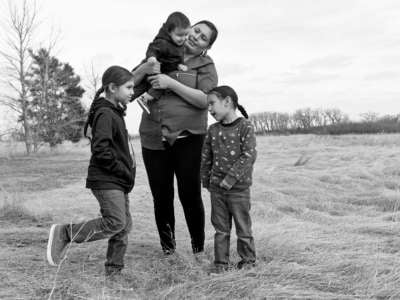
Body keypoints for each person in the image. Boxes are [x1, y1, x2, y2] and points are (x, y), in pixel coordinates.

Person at [131, 20, 218, 260]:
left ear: (206, 47)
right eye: (196, 30)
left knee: (190, 195)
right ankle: (168, 251)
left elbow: (206, 99)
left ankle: (198, 250)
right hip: (153, 138)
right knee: (162, 196)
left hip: (188, 139)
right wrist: (147, 67)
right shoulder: (161, 51)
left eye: (203, 37)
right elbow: (131, 83)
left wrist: (171, 83)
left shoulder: (206, 65)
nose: (196, 36)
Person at [46, 66, 136, 277]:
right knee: (115, 222)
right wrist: (123, 170)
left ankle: (114, 272)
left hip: (118, 181)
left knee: (123, 227)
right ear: (113, 88)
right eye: (129, 87)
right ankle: (66, 232)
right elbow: (101, 150)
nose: (133, 92)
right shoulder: (105, 113)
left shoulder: (113, 111)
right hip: (107, 179)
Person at [200, 85, 257, 273]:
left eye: (212, 104)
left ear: (227, 102)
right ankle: (221, 264)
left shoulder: (245, 126)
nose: (209, 109)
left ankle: (248, 262)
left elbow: (248, 156)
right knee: (221, 230)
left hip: (239, 190)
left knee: (243, 228)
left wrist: (230, 179)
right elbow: (206, 157)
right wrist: (206, 181)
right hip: (217, 191)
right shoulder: (213, 130)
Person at [133, 11, 191, 113]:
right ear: (169, 32)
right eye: (179, 35)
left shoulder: (180, 45)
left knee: (161, 84)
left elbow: (179, 56)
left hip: (164, 72)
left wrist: (181, 64)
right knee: (140, 86)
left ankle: (144, 98)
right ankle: (124, 101)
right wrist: (151, 57)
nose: (183, 38)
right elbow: (152, 48)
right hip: (154, 68)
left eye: (186, 34)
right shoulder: (162, 42)